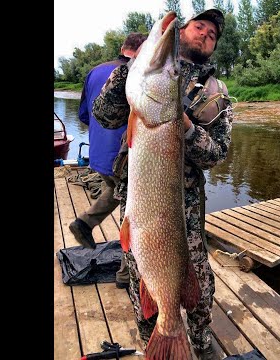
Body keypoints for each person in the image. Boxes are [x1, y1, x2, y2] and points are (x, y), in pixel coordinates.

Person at [92, 9, 233, 359]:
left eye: (212, 34)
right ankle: (154, 338)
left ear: (213, 47)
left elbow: (217, 154)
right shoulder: (144, 74)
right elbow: (104, 116)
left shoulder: (217, 94)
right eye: (199, 26)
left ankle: (198, 343)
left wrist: (184, 126)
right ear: (184, 31)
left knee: (198, 281)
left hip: (184, 205)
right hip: (141, 202)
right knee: (142, 275)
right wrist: (130, 67)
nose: (204, 34)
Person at [69, 32, 147, 289]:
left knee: (114, 191)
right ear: (140, 50)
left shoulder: (95, 71)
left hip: (99, 155)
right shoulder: (136, 74)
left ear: (123, 47)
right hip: (124, 157)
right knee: (134, 213)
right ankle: (126, 275)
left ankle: (84, 223)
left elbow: (83, 114)